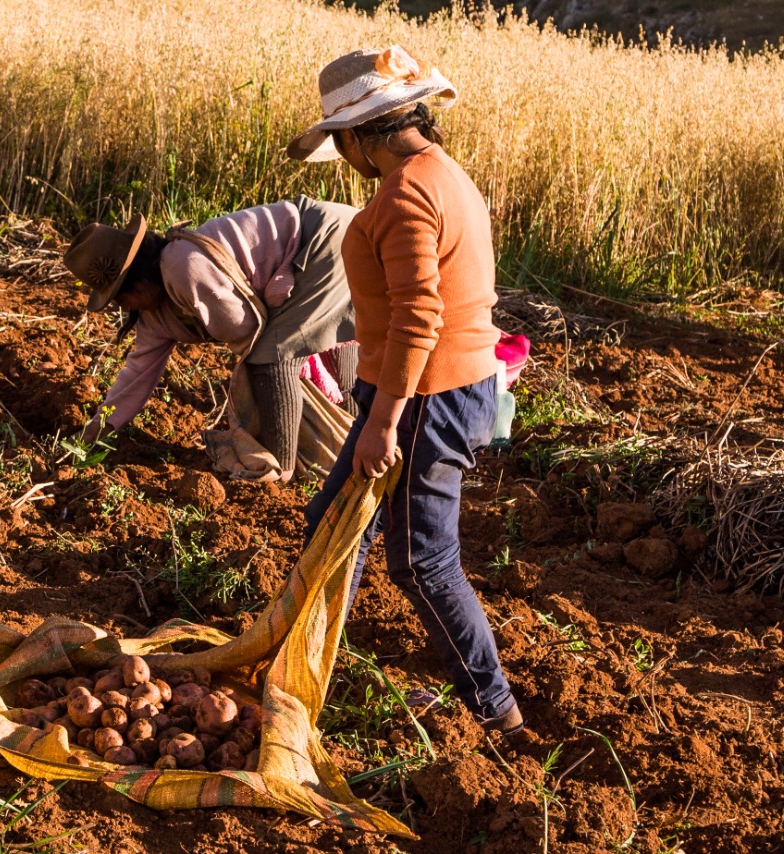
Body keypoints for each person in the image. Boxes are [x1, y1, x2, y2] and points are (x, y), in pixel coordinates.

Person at [288, 46, 526, 738]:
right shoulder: (444, 173)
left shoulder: (405, 193)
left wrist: (383, 422)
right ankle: (300, 671)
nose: (347, 159)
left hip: (428, 396)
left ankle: (497, 711)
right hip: (439, 386)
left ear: (363, 135)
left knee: (422, 560)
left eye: (343, 143)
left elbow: (420, 315)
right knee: (334, 524)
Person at [63, 198, 360, 481]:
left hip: (322, 239)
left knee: (273, 360)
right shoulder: (154, 313)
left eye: (120, 297)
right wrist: (93, 432)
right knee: (305, 352)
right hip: (337, 230)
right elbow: (136, 375)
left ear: (138, 279)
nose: (123, 307)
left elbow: (246, 329)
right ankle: (353, 447)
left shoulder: (183, 266)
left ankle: (281, 471)